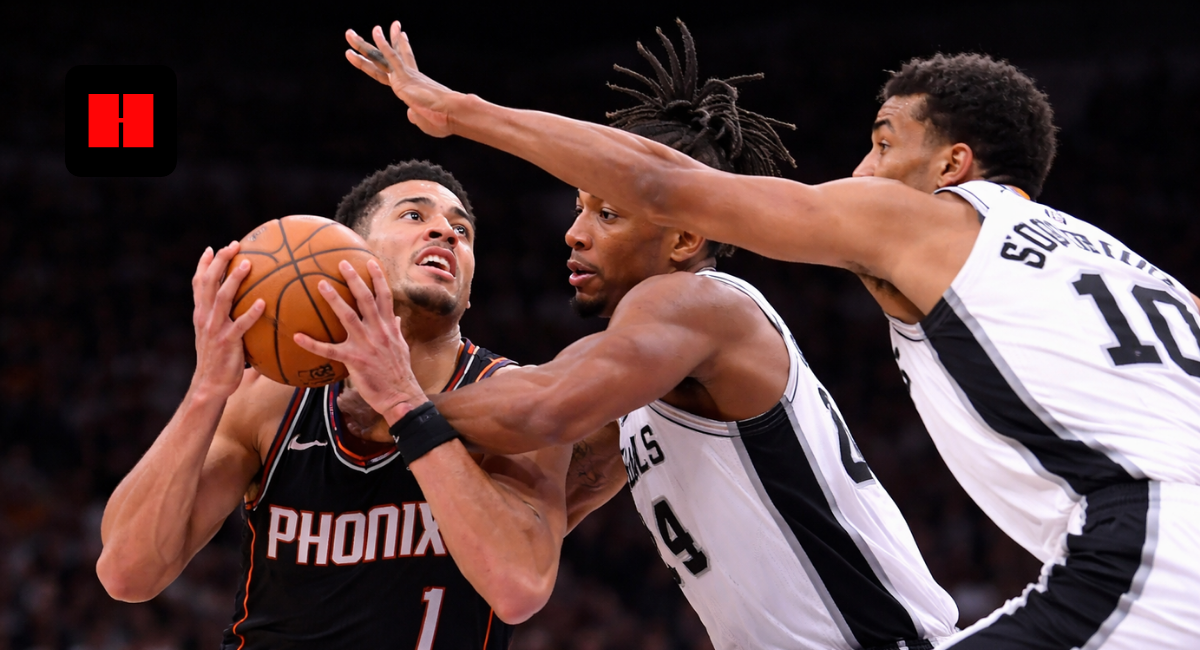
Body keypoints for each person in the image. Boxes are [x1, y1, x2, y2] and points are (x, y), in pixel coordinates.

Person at [346, 20, 1200, 650]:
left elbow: (552, 391)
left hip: (1124, 546)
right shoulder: (1120, 261)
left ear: (952, 165)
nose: (859, 172)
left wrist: (460, 113)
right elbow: (529, 511)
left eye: (880, 143)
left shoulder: (713, 297)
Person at [324, 23, 960, 650]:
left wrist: (398, 406)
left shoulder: (697, 300)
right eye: (578, 208)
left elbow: (544, 406)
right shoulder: (635, 372)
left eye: (607, 213)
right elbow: (526, 515)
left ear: (684, 239)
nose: (575, 233)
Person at [96, 160, 572, 648]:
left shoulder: (517, 395)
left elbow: (518, 589)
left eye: (462, 230)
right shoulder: (270, 399)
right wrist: (206, 391)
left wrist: (403, 401)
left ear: (470, 289)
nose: (445, 233)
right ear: (348, 250)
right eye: (413, 215)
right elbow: (128, 575)